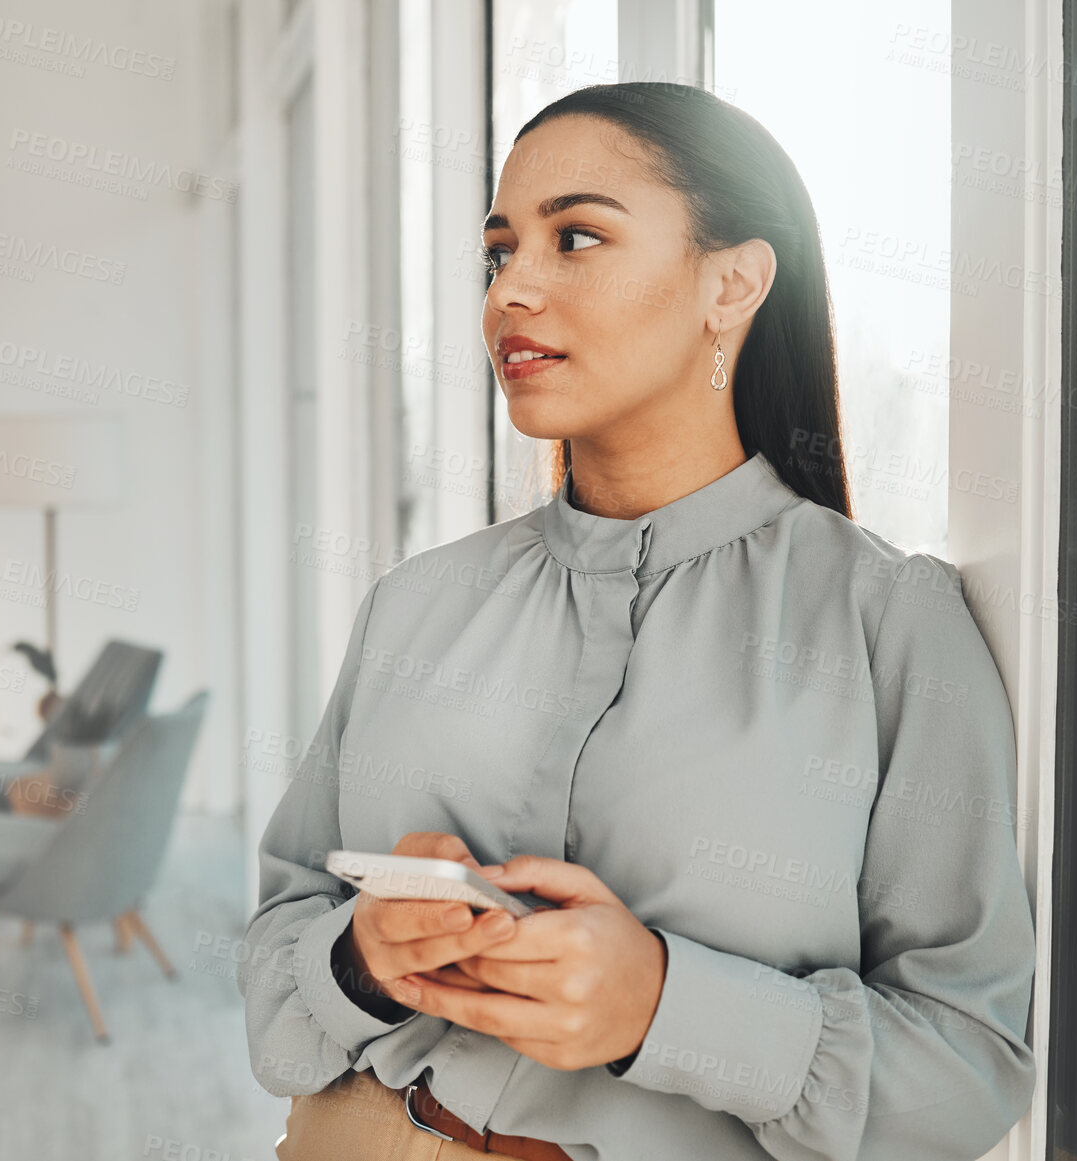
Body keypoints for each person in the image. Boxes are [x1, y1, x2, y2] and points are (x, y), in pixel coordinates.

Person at [238, 81, 1036, 1161]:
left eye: (575, 239)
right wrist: (361, 961)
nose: (510, 290)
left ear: (732, 284)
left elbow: (969, 1073)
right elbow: (275, 966)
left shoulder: (890, 626)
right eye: (498, 250)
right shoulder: (412, 603)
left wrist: (664, 1008)